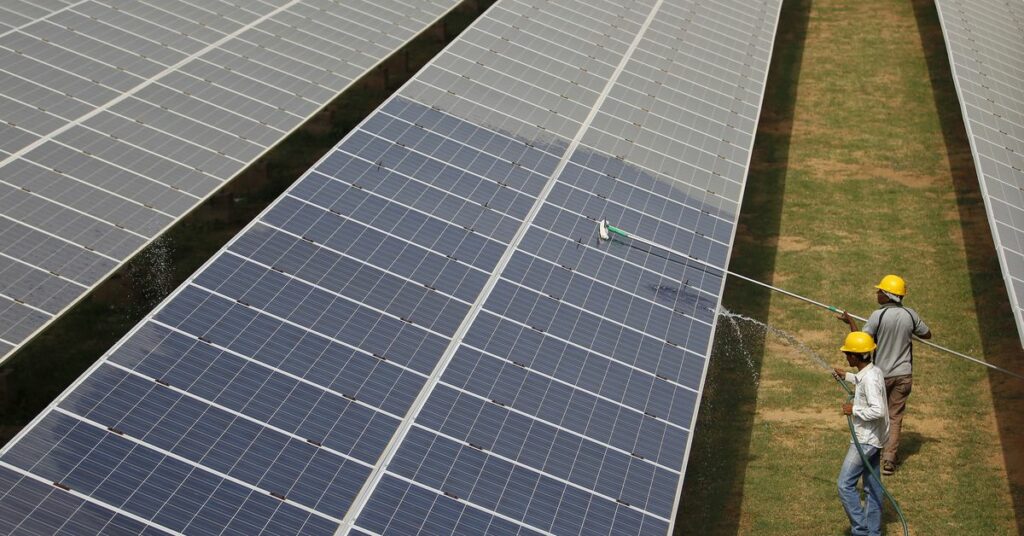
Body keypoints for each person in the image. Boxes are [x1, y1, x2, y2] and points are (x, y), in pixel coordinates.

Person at [838, 274, 931, 475]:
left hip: (881, 375)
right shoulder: (910, 315)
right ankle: (889, 459)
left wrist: (850, 321)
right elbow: (927, 334)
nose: (877, 293)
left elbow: (860, 341)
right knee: (895, 416)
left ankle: (875, 450)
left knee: (879, 412)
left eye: (880, 291)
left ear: (889, 295)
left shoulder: (877, 316)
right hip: (904, 375)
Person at [833, 331, 889, 536]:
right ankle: (873, 533)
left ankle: (861, 530)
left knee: (844, 485)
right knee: (872, 488)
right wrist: (846, 376)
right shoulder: (873, 372)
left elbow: (878, 410)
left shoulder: (870, 381)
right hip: (875, 439)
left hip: (866, 441)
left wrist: (853, 410)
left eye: (848, 354)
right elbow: (862, 381)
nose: (846, 356)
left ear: (856, 357)